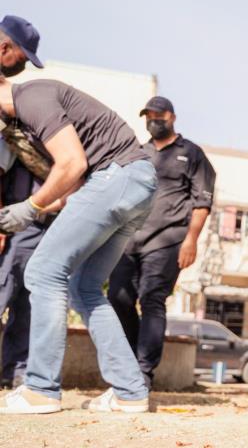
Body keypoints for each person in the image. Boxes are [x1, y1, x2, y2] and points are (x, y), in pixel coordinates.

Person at [0, 77, 157, 414]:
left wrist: (31, 207)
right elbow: (76, 187)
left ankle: (41, 389)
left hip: (116, 178)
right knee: (83, 287)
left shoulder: (31, 96)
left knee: (44, 272)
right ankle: (130, 391)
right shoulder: (28, 113)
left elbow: (73, 164)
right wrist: (25, 211)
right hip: (133, 183)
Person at [108, 96, 215, 389]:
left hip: (168, 240)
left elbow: (202, 201)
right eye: (148, 116)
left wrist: (191, 240)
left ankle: (143, 372)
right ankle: (130, 361)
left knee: (153, 299)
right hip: (129, 240)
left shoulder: (191, 153)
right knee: (117, 296)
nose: (153, 120)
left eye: (158, 115)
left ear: (172, 116)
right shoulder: (138, 152)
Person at [0, 150, 51, 389]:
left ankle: (15, 371)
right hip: (13, 224)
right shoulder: (11, 133)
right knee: (2, 291)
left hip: (48, 224)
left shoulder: (55, 133)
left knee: (28, 303)